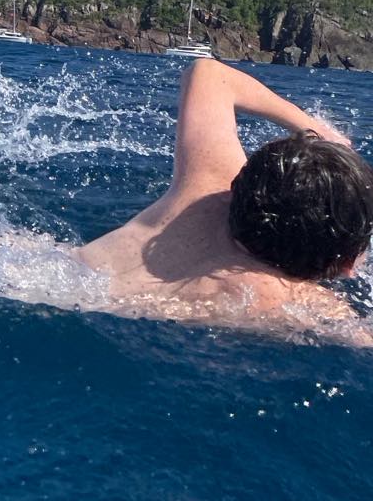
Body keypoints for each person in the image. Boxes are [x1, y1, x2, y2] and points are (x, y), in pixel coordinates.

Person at [75, 57, 373, 338]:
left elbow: (209, 73)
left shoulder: (206, 188)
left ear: (238, 186)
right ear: (347, 265)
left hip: (62, 275)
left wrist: (319, 132)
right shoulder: (296, 301)